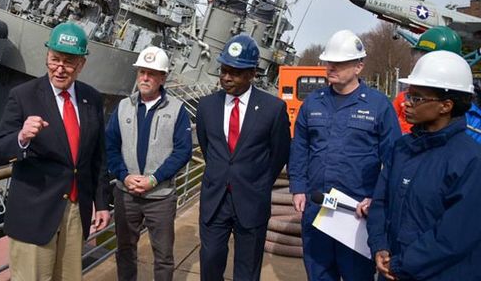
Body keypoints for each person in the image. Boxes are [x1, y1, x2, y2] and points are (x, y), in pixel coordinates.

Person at [0, 22, 110, 281]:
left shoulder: (92, 99)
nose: (60, 68)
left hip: (75, 213)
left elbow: (97, 157)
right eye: (55, 59)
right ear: (47, 56)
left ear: (81, 65)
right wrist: (21, 137)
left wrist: (102, 203)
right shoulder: (23, 96)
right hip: (35, 215)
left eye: (68, 62)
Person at [288, 29, 401, 280]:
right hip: (317, 207)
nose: (331, 67)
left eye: (339, 63)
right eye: (329, 62)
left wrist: (376, 199)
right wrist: (297, 187)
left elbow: (394, 159)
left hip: (356, 213)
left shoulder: (378, 106)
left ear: (359, 66)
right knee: (319, 274)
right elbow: (299, 148)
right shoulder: (313, 103)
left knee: (356, 275)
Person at [367, 50, 481, 280]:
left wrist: (402, 264)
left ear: (446, 106)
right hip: (394, 269)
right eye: (408, 95)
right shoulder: (402, 148)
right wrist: (379, 246)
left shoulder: (470, 160)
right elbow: (380, 201)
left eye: (416, 98)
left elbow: (455, 235)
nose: (406, 104)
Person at [196, 34, 291, 280]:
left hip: (251, 201)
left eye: (235, 73)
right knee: (210, 263)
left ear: (251, 74)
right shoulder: (206, 106)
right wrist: (223, 174)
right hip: (215, 201)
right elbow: (209, 149)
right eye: (224, 70)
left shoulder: (273, 109)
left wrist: (257, 182)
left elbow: (279, 153)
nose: (227, 78)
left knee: (247, 271)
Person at [105, 46, 192, 281]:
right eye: (142, 72)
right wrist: (124, 176)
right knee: (125, 250)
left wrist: (153, 179)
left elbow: (183, 151)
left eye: (151, 73)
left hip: (160, 197)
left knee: (163, 256)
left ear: (162, 77)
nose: (145, 78)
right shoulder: (123, 107)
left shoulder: (176, 110)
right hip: (126, 194)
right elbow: (111, 146)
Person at [392, 26, 463, 134]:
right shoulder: (403, 97)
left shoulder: (469, 118)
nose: (420, 64)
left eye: (417, 99)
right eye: (418, 56)